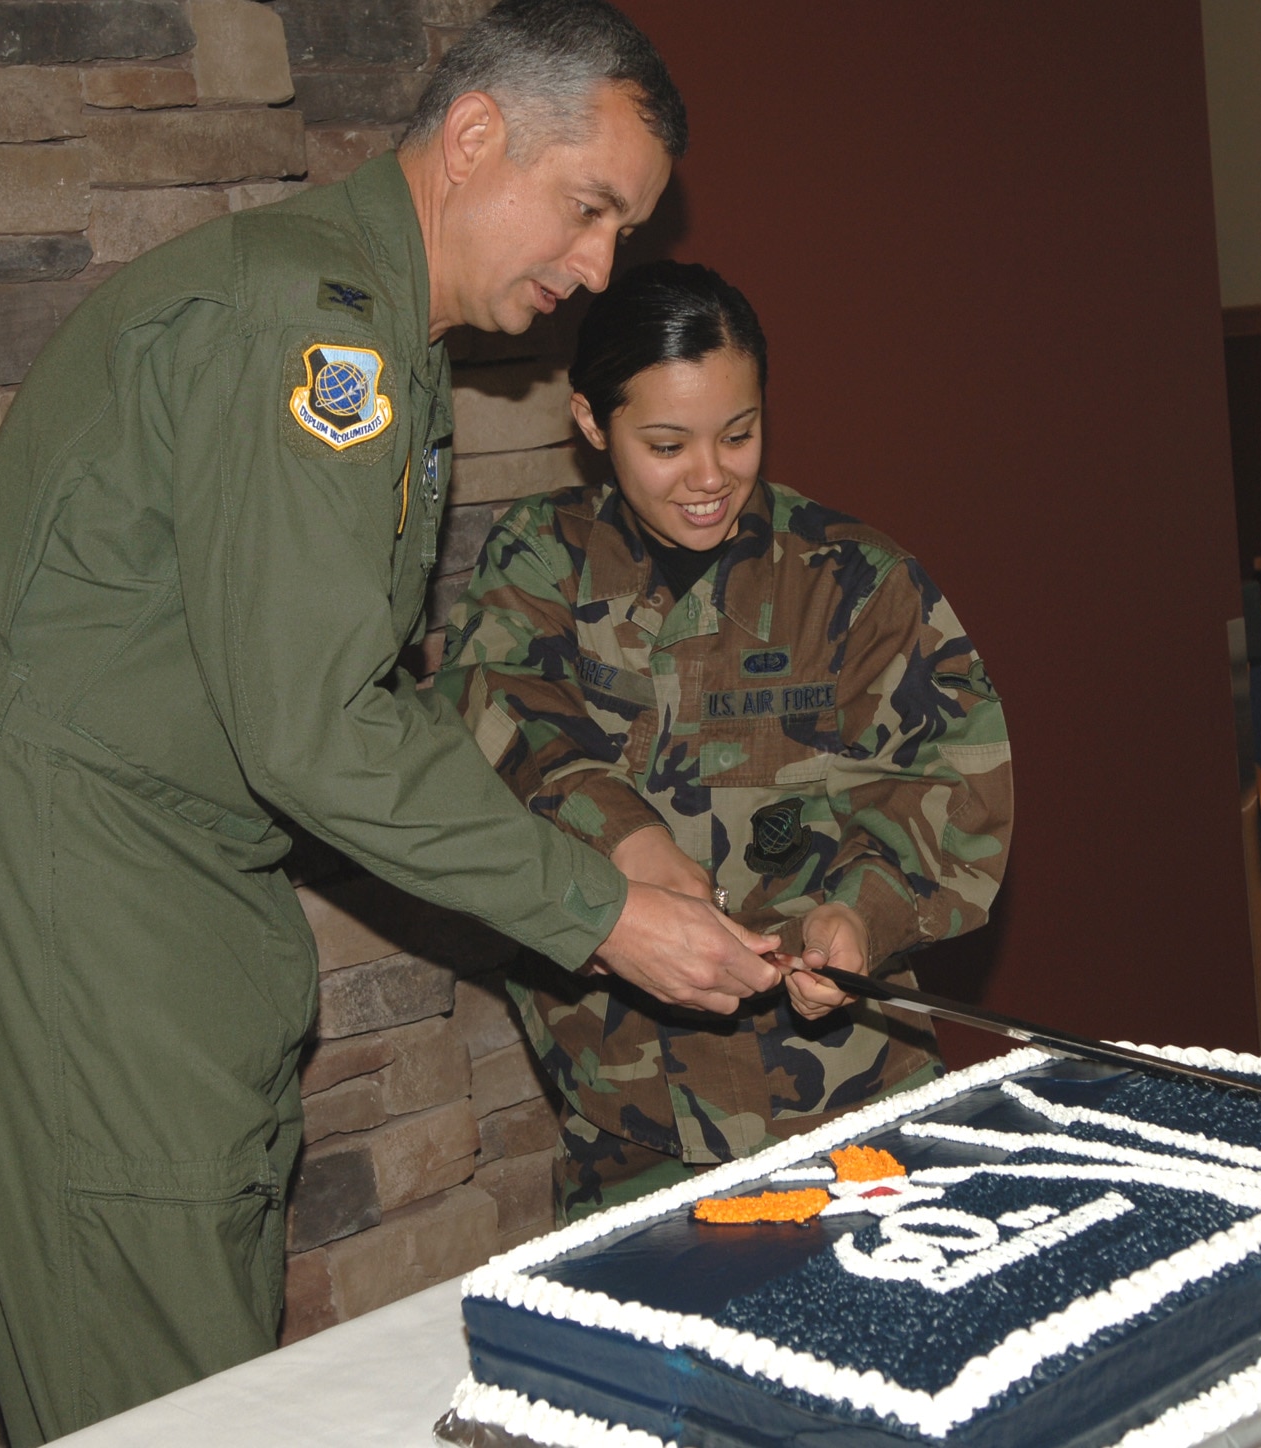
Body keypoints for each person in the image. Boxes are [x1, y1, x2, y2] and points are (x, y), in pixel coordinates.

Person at [0, 5, 785, 1443]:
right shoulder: (312, 329)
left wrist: (594, 850)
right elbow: (312, 729)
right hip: (80, 883)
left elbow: (360, 693)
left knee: (215, 1342)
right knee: (154, 1382)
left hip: (160, 874)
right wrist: (598, 915)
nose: (602, 265)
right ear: (477, 135)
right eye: (590, 208)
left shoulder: (378, 333)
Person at [435, 261, 1014, 1218]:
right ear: (590, 423)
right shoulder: (540, 560)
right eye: (666, 444)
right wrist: (627, 838)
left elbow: (949, 785)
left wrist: (859, 920)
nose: (711, 477)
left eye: (738, 434)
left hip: (850, 1110)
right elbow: (494, 711)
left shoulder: (854, 580)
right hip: (627, 1128)